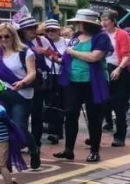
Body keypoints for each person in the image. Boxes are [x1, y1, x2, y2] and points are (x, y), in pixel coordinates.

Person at [54, 9, 111, 163]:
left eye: (80, 22)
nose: (78, 25)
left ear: (87, 23)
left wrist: (72, 52)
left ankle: (94, 151)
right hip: (73, 81)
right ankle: (68, 149)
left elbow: (94, 57)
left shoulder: (101, 37)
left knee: (94, 117)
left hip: (93, 82)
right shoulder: (76, 37)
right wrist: (55, 58)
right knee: (70, 115)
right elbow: (66, 57)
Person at [0, 22, 41, 170]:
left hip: (21, 95)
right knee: (3, 128)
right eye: (0, 36)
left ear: (13, 36)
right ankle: (6, 163)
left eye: (6, 36)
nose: (3, 39)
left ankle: (34, 150)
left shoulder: (25, 52)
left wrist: (22, 82)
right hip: (1, 94)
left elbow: (32, 73)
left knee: (19, 128)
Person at [16, 16, 51, 149]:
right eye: (29, 29)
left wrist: (46, 52)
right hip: (22, 82)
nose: (33, 31)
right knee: (22, 115)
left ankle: (35, 142)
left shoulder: (42, 40)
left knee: (37, 114)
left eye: (34, 27)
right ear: (22, 31)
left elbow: (56, 56)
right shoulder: (17, 43)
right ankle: (21, 140)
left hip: (38, 83)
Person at [101, 10, 129, 146]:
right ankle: (96, 136)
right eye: (103, 20)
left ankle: (120, 137)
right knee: (100, 104)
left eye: (106, 20)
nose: (103, 23)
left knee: (119, 105)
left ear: (113, 21)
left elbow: (126, 55)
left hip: (118, 70)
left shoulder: (122, 34)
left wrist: (119, 68)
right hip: (103, 70)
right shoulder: (102, 34)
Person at [43, 19, 67, 145]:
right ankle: (54, 131)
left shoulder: (67, 42)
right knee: (51, 103)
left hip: (63, 75)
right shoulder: (43, 42)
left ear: (59, 30)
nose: (51, 32)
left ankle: (59, 129)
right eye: (48, 30)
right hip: (48, 75)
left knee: (62, 103)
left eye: (53, 30)